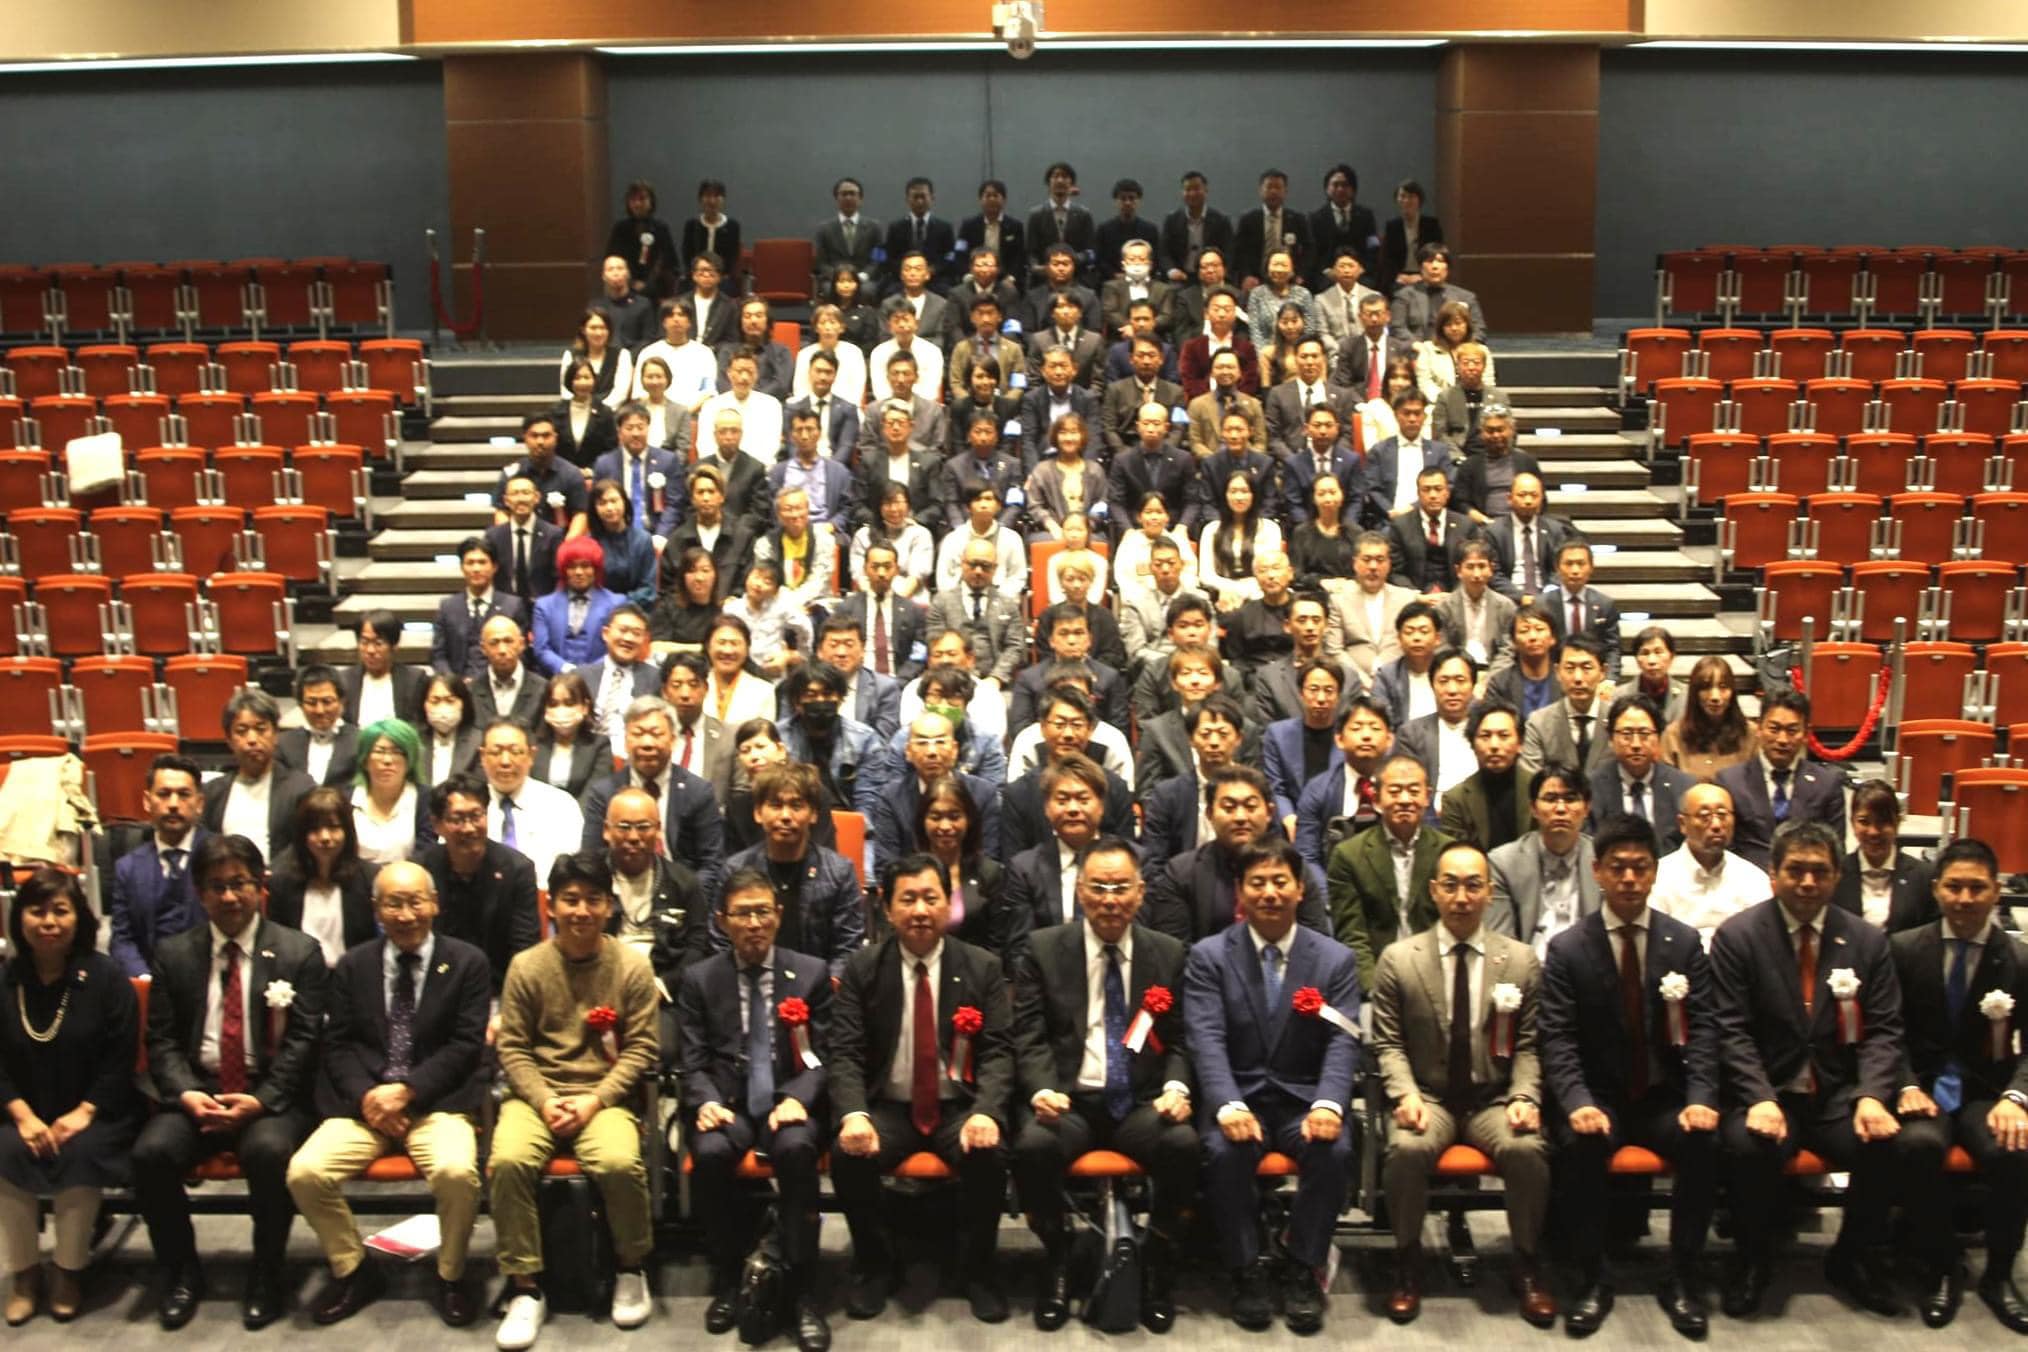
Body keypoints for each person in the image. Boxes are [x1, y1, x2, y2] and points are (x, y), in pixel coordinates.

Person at [1709, 820, 1905, 1319]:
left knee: (1885, 1143)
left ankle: (1852, 1257)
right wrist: (1759, 1096)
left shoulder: (1865, 941)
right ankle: (1752, 1260)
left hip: (1838, 1092)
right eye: (1795, 870)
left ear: (1837, 875)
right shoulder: (1739, 937)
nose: (1807, 882)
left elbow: (1884, 1030)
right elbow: (1730, 1029)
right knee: (1748, 1146)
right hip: (1768, 1087)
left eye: (1820, 871)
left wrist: (1871, 1095)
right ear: (1773, 874)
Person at [133, 835, 328, 1331]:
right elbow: (162, 1040)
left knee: (268, 1152)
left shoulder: (298, 951)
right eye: (216, 886)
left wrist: (261, 1100)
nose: (229, 896)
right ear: (200, 893)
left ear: (260, 885)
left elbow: (304, 1042)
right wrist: (186, 1093)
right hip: (197, 1090)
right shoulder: (175, 953)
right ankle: (181, 1272)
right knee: (151, 1154)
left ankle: (266, 1273)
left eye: (239, 883)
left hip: (270, 1094)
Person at [284, 862, 490, 1327]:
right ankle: (355, 1270)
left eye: (415, 901)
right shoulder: (353, 965)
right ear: (376, 909)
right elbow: (338, 1046)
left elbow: (466, 1045)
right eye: (394, 904)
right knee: (305, 1173)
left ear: (434, 904)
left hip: (436, 1104)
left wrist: (408, 1091)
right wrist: (370, 1099)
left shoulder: (467, 963)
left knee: (458, 1174)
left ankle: (451, 1275)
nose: (406, 914)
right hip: (366, 1106)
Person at [1538, 813, 1720, 1336]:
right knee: (1581, 1144)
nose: (1630, 879)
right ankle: (1591, 1277)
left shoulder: (1682, 943)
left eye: (1640, 867)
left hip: (1664, 1095)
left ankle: (1682, 1275)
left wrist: (1701, 1096)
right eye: (1618, 868)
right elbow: (1558, 1038)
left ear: (1654, 873)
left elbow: (1705, 1030)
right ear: (1597, 871)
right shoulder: (1570, 948)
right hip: (1598, 1096)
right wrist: (1577, 1102)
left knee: (1705, 1141)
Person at [1012, 834, 1193, 1332]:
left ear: (1140, 892)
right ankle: (1058, 1254)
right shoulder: (1044, 949)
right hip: (1069, 1100)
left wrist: (1177, 1089)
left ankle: (1156, 1258)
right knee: (1031, 1147)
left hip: (1140, 1101)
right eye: (1098, 887)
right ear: (1080, 892)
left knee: (1182, 1144)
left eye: (1120, 887)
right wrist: (1041, 1088)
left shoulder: (1168, 954)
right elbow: (1028, 1035)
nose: (1109, 900)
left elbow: (1181, 1041)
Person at [1372, 839, 1554, 1327]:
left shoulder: (1519, 960)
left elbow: (1529, 1045)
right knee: (1406, 1149)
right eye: (1450, 885)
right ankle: (1407, 1261)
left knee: (1527, 1148)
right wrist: (1405, 1094)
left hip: (1492, 1097)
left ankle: (1526, 1262)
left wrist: (1523, 1095)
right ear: (1433, 890)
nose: (1461, 897)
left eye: (1473, 886)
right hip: (1428, 1096)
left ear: (1490, 893)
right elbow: (1388, 1043)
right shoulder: (1399, 959)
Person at [829, 853, 1015, 1323]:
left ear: (949, 904)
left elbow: (998, 1052)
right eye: (907, 899)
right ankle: (875, 1266)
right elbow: (845, 1052)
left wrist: (986, 1111)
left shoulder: (982, 967)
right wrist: (854, 1114)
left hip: (958, 1107)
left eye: (931, 898)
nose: (919, 911)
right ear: (886, 908)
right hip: (890, 1106)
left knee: (989, 1154)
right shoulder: (863, 968)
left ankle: (977, 1271)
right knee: (848, 1155)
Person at [1184, 837, 1359, 1334]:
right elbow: (1206, 1037)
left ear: (1300, 889)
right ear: (1239, 891)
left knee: (1335, 1150)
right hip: (1239, 1097)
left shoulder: (1334, 960)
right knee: (1224, 1153)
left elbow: (1343, 1040)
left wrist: (1329, 1104)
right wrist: (1227, 1104)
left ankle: (1302, 1263)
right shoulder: (1209, 956)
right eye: (1257, 882)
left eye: (1280, 881)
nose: (1269, 893)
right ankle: (1245, 1269)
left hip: (1304, 1098)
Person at [490, 853, 657, 1348]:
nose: (581, 910)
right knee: (508, 1160)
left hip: (602, 1097)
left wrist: (595, 1100)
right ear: (552, 907)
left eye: (593, 900)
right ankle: (525, 1285)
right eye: (570, 900)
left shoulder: (631, 966)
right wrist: (544, 1100)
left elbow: (642, 1049)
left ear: (609, 906)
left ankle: (631, 1266)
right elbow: (513, 1048)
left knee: (619, 1163)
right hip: (535, 1096)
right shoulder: (527, 966)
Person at [676, 870, 831, 1351]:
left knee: (797, 1149)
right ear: (722, 921)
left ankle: (803, 1288)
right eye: (742, 913)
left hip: (789, 1101)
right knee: (709, 1153)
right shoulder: (700, 979)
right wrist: (706, 1102)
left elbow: (829, 1055)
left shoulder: (811, 973)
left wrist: (798, 1097)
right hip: (730, 1103)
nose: (754, 923)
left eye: (763, 911)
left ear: (778, 916)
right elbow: (692, 1059)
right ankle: (729, 1277)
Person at [1887, 838, 2028, 1331]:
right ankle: (1942, 1265)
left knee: (2015, 1149)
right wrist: (1904, 1084)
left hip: (1986, 1092)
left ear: (1996, 892)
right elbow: (1886, 1030)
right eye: (1954, 887)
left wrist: (2017, 1096)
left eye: (1976, 887)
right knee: (1918, 1145)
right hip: (1922, 1088)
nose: (1964, 898)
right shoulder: (1904, 949)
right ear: (1936, 889)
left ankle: (1999, 1275)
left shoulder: (2019, 959)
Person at [0, 869, 140, 1326]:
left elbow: (120, 1059)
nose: (48, 922)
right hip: (20, 1110)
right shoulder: (6, 978)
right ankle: (24, 1273)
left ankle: (67, 1271)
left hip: (97, 1111)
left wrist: (84, 1111)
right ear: (19, 918)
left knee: (80, 1152)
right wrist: (21, 1114)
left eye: (60, 911)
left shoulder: (106, 978)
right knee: (7, 1149)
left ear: (79, 917)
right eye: (36, 911)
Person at [1146, 764, 1328, 944]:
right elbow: (1174, 950)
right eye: (1229, 807)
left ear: (1269, 812)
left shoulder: (1293, 867)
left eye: (1250, 806)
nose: (1240, 817)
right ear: (1209, 813)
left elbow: (1317, 942)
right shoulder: (1181, 873)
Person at [718, 762, 866, 977]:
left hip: (818, 987)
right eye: (776, 805)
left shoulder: (840, 872)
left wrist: (822, 988)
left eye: (796, 806)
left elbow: (847, 948)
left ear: (813, 814)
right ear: (758, 813)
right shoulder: (735, 870)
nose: (786, 816)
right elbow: (721, 942)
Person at [1327, 754, 1455, 989]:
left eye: (1414, 791)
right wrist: (1374, 991)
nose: (1405, 800)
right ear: (1376, 798)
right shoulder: (1348, 855)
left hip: (1439, 976)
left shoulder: (1449, 853)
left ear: (1427, 797)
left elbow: (1454, 923)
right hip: (1377, 977)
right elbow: (1353, 936)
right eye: (1395, 791)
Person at [577, 694, 727, 894]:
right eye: (638, 733)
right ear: (625, 740)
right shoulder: (604, 793)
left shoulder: (698, 792)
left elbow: (712, 863)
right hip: (618, 895)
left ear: (673, 739)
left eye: (656, 734)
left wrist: (691, 901)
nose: (647, 743)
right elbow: (591, 860)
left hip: (681, 895)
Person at [418, 774, 542, 997]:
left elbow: (524, 949)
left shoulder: (517, 870)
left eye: (476, 816)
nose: (469, 828)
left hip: (498, 989)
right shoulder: (421, 869)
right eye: (457, 819)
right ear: (437, 824)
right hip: (436, 989)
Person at [598, 786, 709, 1009]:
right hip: (598, 987)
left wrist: (664, 985)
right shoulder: (591, 879)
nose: (633, 837)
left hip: (663, 991)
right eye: (624, 827)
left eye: (643, 827)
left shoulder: (684, 882)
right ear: (607, 831)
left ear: (658, 830)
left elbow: (697, 946)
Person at [1713, 688, 1847, 872]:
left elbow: (1835, 850)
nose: (1782, 739)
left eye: (1792, 731)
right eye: (1774, 729)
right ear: (1759, 728)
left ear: (1806, 734)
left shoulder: (1827, 784)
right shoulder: (1730, 782)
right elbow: (1722, 847)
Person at [107, 752, 208, 977]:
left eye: (184, 795)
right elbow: (122, 939)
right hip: (149, 978)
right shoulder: (128, 868)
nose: (173, 804)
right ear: (147, 801)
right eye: (163, 794)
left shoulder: (220, 857)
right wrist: (145, 979)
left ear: (199, 803)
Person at [1488, 765, 1599, 956]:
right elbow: (1500, 942)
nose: (1561, 808)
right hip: (1527, 967)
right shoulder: (1503, 863)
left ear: (1587, 808)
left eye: (1570, 799)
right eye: (1550, 799)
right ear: (1533, 808)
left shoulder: (1604, 860)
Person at [200, 689, 317, 869]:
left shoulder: (301, 789)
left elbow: (305, 847)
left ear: (275, 735)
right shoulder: (213, 793)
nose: (252, 739)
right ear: (229, 740)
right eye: (241, 731)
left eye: (261, 729)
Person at [269, 786, 380, 967]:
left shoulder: (370, 879)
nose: (325, 837)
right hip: (300, 976)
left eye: (334, 827)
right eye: (315, 829)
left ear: (347, 831)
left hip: (352, 976)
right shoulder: (281, 883)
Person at [911, 771, 1016, 961]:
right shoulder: (907, 874)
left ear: (968, 820)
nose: (945, 826)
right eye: (935, 817)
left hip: (977, 973)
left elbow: (998, 945)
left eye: (954, 816)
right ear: (922, 821)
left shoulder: (990, 874)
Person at [1648, 783, 1769, 945]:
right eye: (1704, 816)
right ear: (1683, 823)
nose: (1716, 825)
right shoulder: (1659, 876)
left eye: (1722, 814)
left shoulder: (1753, 878)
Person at [1005, 752, 1111, 935]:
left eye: (1083, 800)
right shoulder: (1025, 870)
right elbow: (1020, 944)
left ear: (1101, 806)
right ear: (1047, 808)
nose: (1073, 809)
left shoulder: (1135, 861)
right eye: (1062, 800)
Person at [479, 717, 585, 886]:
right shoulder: (469, 806)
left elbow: (571, 868)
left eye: (515, 752)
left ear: (531, 755)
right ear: (482, 756)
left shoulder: (561, 805)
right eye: (495, 752)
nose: (505, 761)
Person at [1589, 694, 1695, 852]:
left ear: (1659, 737)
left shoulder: (1683, 786)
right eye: (1626, 734)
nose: (1636, 744)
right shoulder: (1592, 788)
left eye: (1644, 734)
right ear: (1611, 739)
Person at [926, 537, 1031, 688]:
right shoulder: (941, 602)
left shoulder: (1008, 605)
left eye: (985, 566)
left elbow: (1016, 647)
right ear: (962, 564)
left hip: (997, 684)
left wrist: (997, 678)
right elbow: (936, 645)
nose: (978, 571)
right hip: (951, 681)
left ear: (995, 568)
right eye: (973, 564)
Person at [1835, 778, 1939, 931]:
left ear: (1897, 822)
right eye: (1864, 821)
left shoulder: (1923, 876)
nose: (1873, 832)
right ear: (1852, 822)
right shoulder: (1835, 874)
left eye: (1883, 822)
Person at [1324, 530, 1418, 681]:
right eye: (1366, 560)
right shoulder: (1339, 601)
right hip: (1354, 682)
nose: (1373, 566)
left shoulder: (1406, 599)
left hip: (1399, 679)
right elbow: (1334, 649)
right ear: (1355, 563)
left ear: (1389, 564)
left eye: (1380, 560)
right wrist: (1361, 680)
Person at [1437, 702, 1530, 852]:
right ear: (1472, 744)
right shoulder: (1455, 799)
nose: (1494, 745)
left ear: (1521, 743)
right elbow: (1455, 856)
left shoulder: (1538, 790)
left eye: (1503, 735)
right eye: (1485, 736)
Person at [1519, 634, 1614, 780]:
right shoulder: (1538, 723)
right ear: (1557, 672)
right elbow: (1532, 779)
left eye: (1586, 668)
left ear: (1603, 672)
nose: (1577, 678)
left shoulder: (1617, 720)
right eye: (1569, 668)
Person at [432, 538, 525, 682]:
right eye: (470, 563)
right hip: (458, 686)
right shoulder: (448, 607)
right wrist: (455, 683)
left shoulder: (513, 606)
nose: (476, 569)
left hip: (499, 683)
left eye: (482, 562)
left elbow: (521, 653)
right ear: (462, 567)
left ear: (494, 567)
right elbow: (438, 655)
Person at [832, 538, 928, 677]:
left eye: (887, 567)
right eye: (875, 567)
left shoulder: (913, 611)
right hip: (856, 681)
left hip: (900, 681)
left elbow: (919, 654)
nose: (881, 573)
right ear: (865, 569)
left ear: (897, 570)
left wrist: (900, 682)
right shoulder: (846, 609)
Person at [532, 536, 623, 676]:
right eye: (572, 566)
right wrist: (565, 669)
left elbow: (617, 648)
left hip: (601, 679)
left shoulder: (616, 604)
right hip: (555, 679)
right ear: (563, 570)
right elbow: (541, 649)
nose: (579, 572)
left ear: (595, 568)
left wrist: (588, 673)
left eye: (585, 566)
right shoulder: (544, 606)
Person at [1661, 654, 1759, 781]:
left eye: (1723, 687)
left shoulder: (1752, 735)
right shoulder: (1673, 736)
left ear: (1732, 692)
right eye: (1706, 688)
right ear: (1694, 693)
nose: (1715, 697)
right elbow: (1666, 787)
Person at [348, 719, 434, 865]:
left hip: (410, 876)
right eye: (379, 751)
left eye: (397, 752)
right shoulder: (346, 798)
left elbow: (427, 851)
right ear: (364, 759)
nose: (387, 760)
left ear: (410, 759)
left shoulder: (426, 799)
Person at [1199, 468, 1282, 612]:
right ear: (1225, 495)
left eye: (1244, 491)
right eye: (1233, 491)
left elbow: (1270, 572)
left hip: (1259, 595)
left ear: (1253, 495)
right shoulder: (1211, 529)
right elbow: (1206, 576)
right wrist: (1230, 590)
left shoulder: (1270, 528)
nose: (1239, 497)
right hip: (1222, 596)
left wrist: (1243, 592)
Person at [1538, 538, 1622, 678]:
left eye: (1581, 564)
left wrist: (1610, 679)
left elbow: (1612, 648)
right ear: (1557, 568)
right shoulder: (1542, 604)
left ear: (1591, 567)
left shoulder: (1604, 604)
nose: (1575, 570)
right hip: (1551, 677)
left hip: (1592, 677)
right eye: (1569, 564)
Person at [489, 477, 568, 613]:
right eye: (515, 493)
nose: (521, 499)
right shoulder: (493, 536)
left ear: (536, 497)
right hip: (504, 608)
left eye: (526, 493)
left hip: (544, 607)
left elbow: (559, 576)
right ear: (506, 500)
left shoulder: (553, 535)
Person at [663, 653, 735, 803]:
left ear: (706, 688)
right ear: (665, 692)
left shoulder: (728, 736)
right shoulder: (653, 735)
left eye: (693, 684)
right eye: (676, 685)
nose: (685, 694)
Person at [1387, 466, 1470, 595]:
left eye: (1438, 489)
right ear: (1418, 494)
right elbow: (1395, 572)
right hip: (1415, 595)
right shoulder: (1400, 526)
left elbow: (1471, 568)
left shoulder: (1466, 525)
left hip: (1456, 596)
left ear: (1447, 493)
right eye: (1426, 490)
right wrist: (1416, 596)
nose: (1433, 495)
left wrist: (1455, 596)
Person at [773, 408, 855, 533]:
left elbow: (848, 508)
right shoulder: (778, 473)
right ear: (792, 436)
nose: (804, 436)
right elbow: (772, 510)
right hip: (788, 531)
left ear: (819, 433)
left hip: (826, 530)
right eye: (799, 430)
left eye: (810, 429)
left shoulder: (839, 472)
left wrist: (832, 525)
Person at [697, 350, 785, 465]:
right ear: (729, 373)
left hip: (758, 469)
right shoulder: (711, 405)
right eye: (739, 371)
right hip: (717, 469)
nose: (744, 377)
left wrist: (749, 469)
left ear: (757, 375)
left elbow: (771, 446)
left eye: (750, 372)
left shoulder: (771, 405)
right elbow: (704, 445)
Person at [530, 672, 605, 798]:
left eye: (569, 703)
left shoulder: (600, 745)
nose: (561, 710)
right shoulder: (532, 744)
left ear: (585, 707)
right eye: (553, 704)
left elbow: (594, 793)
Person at [1484, 603, 1561, 722]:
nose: (1533, 637)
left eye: (1539, 629)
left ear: (1553, 638)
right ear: (1514, 642)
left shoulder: (1564, 680)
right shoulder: (1499, 684)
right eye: (1524, 631)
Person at [1395, 243, 1486, 343]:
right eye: (1429, 261)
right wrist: (1417, 345)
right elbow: (1397, 328)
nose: (1435, 266)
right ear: (1420, 267)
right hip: (1418, 349)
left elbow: (1479, 330)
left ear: (1447, 268)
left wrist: (1462, 347)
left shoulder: (1466, 297)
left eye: (1440, 261)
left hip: (1456, 349)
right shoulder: (1404, 296)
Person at [607, 179, 678, 300]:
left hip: (656, 290)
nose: (637, 204)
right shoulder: (620, 229)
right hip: (625, 287)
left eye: (642, 199)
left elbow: (669, 261)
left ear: (651, 202)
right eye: (633, 200)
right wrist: (631, 282)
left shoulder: (661, 228)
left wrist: (648, 284)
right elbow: (613, 258)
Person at [704, 615, 779, 730]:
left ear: (747, 648)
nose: (728, 651)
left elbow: (763, 736)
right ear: (708, 646)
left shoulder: (763, 691)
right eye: (721, 642)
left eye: (735, 643)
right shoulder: (694, 685)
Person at [1158, 170, 1235, 282]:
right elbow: (1164, 252)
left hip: (1211, 276)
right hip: (1180, 277)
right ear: (1182, 192)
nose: (1192, 194)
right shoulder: (1172, 220)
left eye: (1196, 189)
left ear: (1206, 190)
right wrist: (1171, 270)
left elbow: (1229, 252)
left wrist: (1222, 272)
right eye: (1188, 189)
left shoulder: (1221, 220)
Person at [790, 307, 869, 412]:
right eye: (822, 323)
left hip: (846, 409)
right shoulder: (805, 354)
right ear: (816, 328)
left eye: (832, 322)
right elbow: (800, 388)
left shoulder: (853, 352)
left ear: (842, 327)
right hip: (811, 409)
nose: (827, 327)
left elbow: (857, 388)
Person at [716, 296, 794, 400]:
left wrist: (754, 400)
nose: (753, 320)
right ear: (740, 322)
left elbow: (782, 385)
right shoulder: (727, 351)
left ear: (767, 321)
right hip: (733, 404)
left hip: (770, 404)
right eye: (747, 316)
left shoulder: (781, 351)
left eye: (759, 315)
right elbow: (723, 384)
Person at [648, 546, 721, 652]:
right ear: (683, 576)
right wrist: (702, 648)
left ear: (715, 575)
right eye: (692, 571)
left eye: (705, 571)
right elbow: (656, 646)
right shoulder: (666, 607)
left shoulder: (721, 611)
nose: (699, 578)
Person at [558, 308, 633, 410]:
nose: (598, 333)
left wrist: (599, 411)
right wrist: (579, 408)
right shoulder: (570, 355)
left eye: (603, 328)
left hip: (610, 413)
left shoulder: (622, 355)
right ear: (583, 330)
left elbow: (620, 393)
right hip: (576, 410)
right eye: (593, 328)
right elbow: (566, 391)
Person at [957, 183, 1027, 291]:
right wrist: (967, 275)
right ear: (980, 200)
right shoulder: (968, 225)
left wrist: (1011, 277)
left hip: (1004, 277)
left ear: (1004, 200)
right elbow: (960, 252)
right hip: (975, 275)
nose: (992, 199)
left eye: (996, 195)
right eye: (988, 195)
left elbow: (1019, 256)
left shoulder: (1015, 226)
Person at [555, 358, 621, 469]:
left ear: (594, 380)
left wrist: (592, 470)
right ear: (570, 381)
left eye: (587, 377)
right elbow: (554, 449)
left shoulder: (605, 413)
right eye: (577, 378)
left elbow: (611, 449)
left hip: (597, 473)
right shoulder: (557, 411)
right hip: (563, 472)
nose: (583, 383)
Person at [1380, 179, 1444, 290]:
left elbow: (1437, 253)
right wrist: (1398, 276)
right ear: (1397, 200)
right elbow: (1387, 258)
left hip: (1425, 275)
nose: (1406, 200)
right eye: (1402, 196)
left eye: (1411, 197)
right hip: (1400, 277)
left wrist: (1422, 275)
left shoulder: (1431, 225)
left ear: (1419, 200)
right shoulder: (1392, 226)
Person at [631, 355, 693, 455]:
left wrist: (669, 463)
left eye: (659, 377)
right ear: (642, 380)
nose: (654, 382)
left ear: (668, 379)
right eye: (650, 377)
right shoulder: (632, 410)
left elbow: (683, 449)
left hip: (670, 461)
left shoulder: (681, 411)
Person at [820, 262, 882, 352]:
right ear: (834, 285)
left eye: (850, 281)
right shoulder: (824, 311)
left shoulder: (868, 312)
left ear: (857, 284)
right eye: (841, 281)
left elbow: (870, 343)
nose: (846, 285)